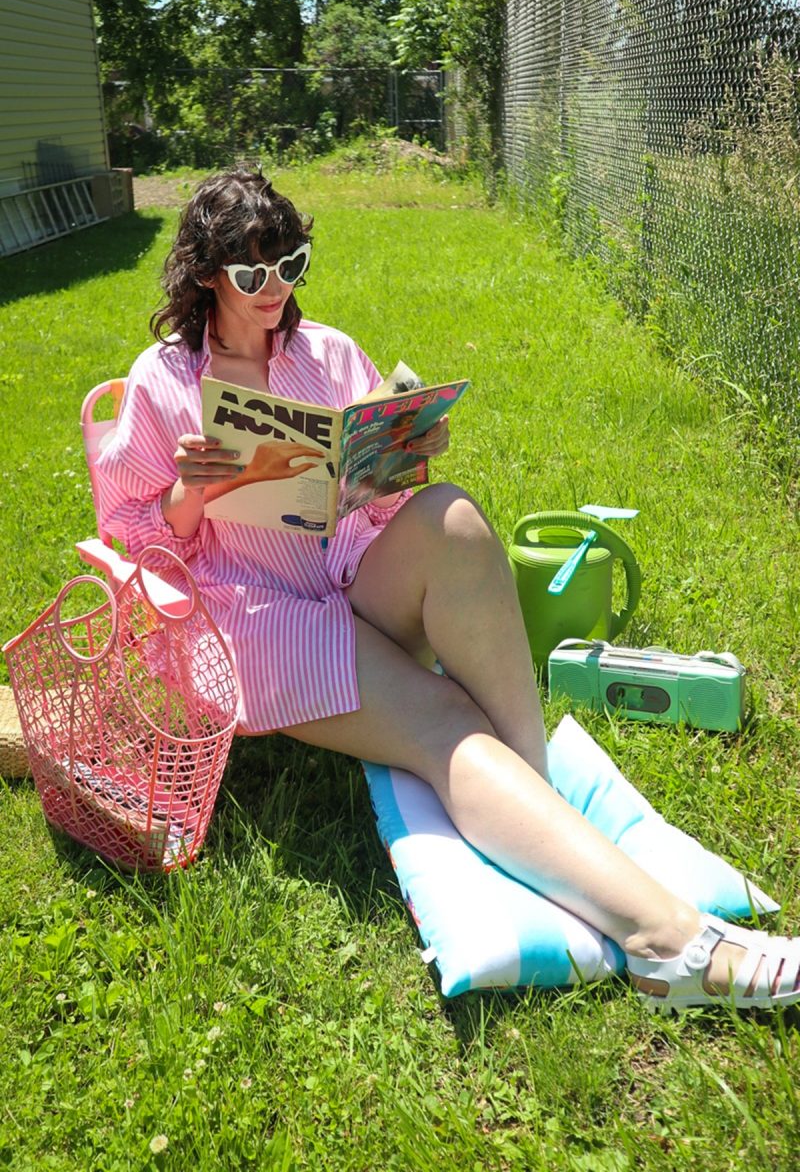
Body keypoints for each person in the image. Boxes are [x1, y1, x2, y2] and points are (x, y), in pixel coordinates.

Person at [96, 167, 800, 1013]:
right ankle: (670, 944)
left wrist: (404, 453)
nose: (274, 290)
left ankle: (532, 804)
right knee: (446, 723)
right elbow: (136, 540)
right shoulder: (164, 381)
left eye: (291, 266)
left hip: (348, 573)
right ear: (206, 274)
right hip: (256, 619)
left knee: (455, 518)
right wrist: (190, 494)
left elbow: (374, 497)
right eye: (251, 275)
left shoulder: (326, 353)